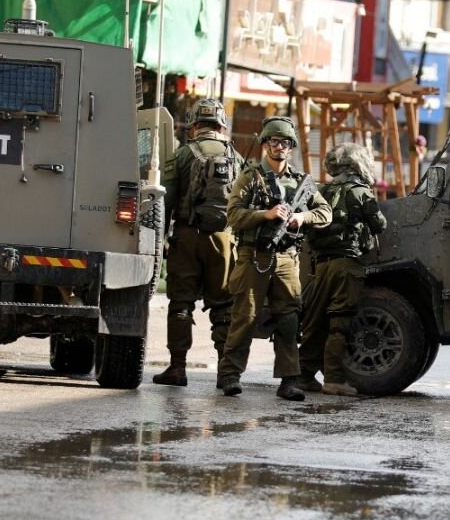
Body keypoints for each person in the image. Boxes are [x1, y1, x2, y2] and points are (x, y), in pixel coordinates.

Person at [215, 117, 332, 399]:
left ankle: (289, 380)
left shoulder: (300, 182)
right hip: (253, 256)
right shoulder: (250, 176)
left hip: (286, 260)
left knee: (288, 320)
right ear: (265, 144)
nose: (279, 147)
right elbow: (233, 215)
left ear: (291, 147)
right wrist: (264, 215)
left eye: (285, 143)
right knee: (244, 316)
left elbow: (325, 212)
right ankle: (230, 375)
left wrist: (301, 217)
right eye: (274, 141)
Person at [154, 98, 240, 387]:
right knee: (224, 306)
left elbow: (165, 201)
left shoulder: (182, 154)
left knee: (180, 303)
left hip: (188, 237)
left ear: (194, 125)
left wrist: (161, 241)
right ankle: (226, 374)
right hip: (224, 239)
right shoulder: (236, 156)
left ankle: (177, 369)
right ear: (221, 125)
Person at [300, 142, 387, 397]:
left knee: (314, 323)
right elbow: (379, 224)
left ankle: (303, 375)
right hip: (347, 265)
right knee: (339, 322)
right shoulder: (361, 192)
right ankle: (334, 380)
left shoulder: (322, 191)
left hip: (321, 265)